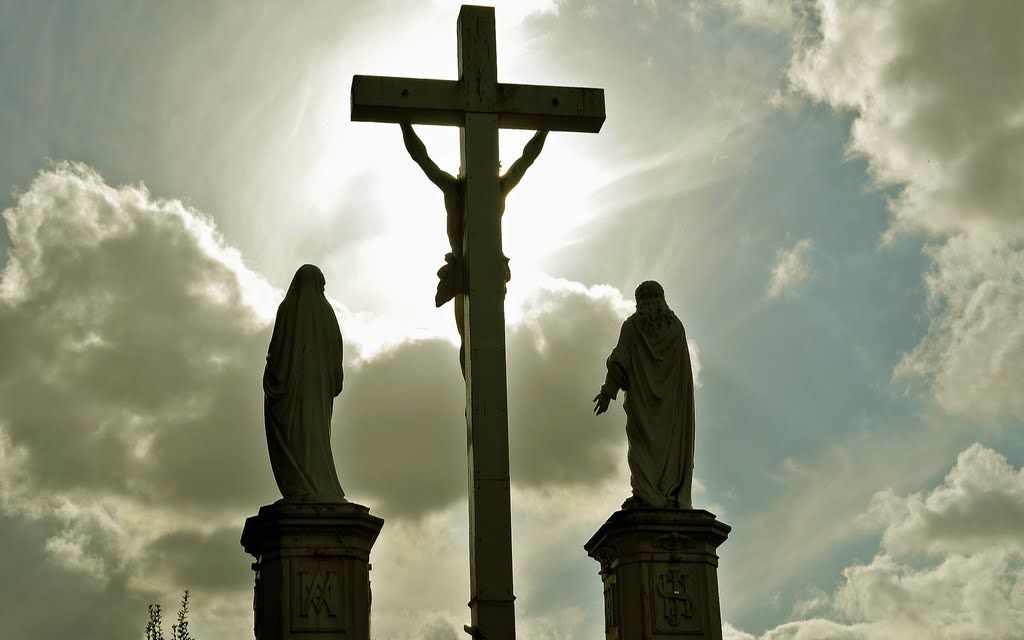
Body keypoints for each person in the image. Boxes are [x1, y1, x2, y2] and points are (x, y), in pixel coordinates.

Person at [400, 122, 548, 376]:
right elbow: (421, 157)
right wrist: (404, 123)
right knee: (468, 339)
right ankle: (473, 393)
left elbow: (528, 157)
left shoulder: (494, 188)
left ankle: (483, 389)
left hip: (487, 271)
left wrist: (543, 129)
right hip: (465, 273)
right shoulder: (457, 188)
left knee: (487, 339)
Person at [593, 281, 695, 509]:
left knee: (641, 447)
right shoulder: (676, 328)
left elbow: (619, 361)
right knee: (670, 450)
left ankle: (646, 494)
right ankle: (669, 492)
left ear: (640, 301)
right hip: (672, 408)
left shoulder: (633, 326)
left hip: (642, 404)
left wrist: (607, 393)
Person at [263, 264, 347, 502]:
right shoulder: (326, 312)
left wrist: (274, 378)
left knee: (296, 439)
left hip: (290, 394)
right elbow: (336, 359)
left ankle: (302, 484)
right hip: (318, 395)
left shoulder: (288, 309)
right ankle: (320, 484)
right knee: (315, 438)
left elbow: (276, 353)